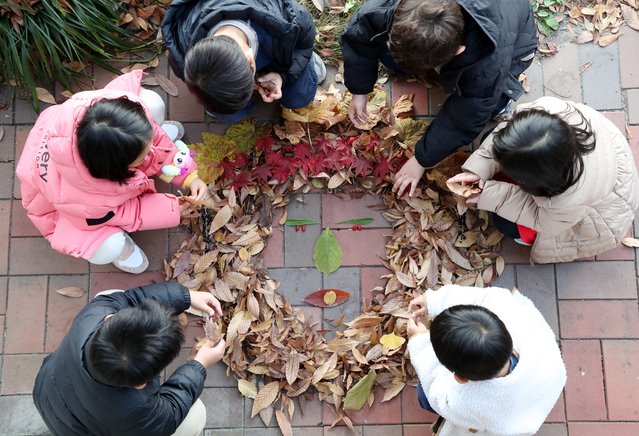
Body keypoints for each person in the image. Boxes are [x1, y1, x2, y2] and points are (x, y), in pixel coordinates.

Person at [16, 70, 208, 274]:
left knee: (151, 102)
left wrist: (188, 175)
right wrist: (172, 208)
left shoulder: (116, 117)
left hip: (67, 147)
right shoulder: (87, 201)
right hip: (68, 211)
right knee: (107, 246)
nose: (152, 151)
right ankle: (121, 250)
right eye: (143, 155)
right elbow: (127, 212)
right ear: (117, 169)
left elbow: (148, 135)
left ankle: (141, 143)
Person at [340, 0, 537, 196]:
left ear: (459, 50)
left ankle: (502, 104)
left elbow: (464, 118)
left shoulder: (487, 65)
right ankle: (413, 58)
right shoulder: (389, 7)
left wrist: (421, 160)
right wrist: (360, 89)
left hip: (513, 42)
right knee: (391, 55)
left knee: (490, 101)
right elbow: (362, 31)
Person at [448, 96, 639, 263]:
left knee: (505, 223)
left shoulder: (567, 201)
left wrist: (489, 195)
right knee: (490, 145)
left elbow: (539, 218)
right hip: (599, 162)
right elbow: (507, 129)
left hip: (591, 215)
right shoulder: (547, 111)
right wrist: (478, 169)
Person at [33, 282, 225, 436]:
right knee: (195, 415)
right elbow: (170, 412)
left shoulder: (94, 314)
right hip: (85, 425)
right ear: (140, 384)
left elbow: (129, 298)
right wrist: (199, 364)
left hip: (48, 393)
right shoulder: (136, 413)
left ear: (109, 319)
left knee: (112, 293)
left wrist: (186, 297)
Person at [407, 284, 566, 435]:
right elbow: (484, 297)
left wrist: (419, 342)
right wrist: (434, 301)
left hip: (507, 416)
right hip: (544, 380)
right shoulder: (511, 313)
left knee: (424, 395)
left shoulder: (466, 403)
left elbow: (440, 397)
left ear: (461, 378)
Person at [162, 0, 326, 122]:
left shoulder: (289, 20)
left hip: (286, 50)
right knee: (229, 113)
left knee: (299, 97)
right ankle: (230, 99)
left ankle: (308, 64)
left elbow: (304, 44)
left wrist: (283, 76)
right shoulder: (182, 43)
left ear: (250, 59)